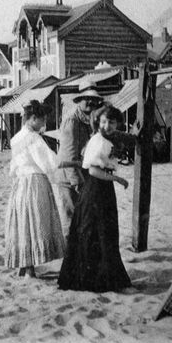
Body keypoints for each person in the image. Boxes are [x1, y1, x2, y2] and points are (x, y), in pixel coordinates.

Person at [58, 105, 133, 292]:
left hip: (102, 189)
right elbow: (93, 170)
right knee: (97, 232)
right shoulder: (99, 141)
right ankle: (95, 280)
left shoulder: (105, 139)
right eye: (104, 121)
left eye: (112, 122)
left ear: (117, 123)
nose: (107, 125)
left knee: (102, 233)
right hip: (96, 188)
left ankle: (101, 278)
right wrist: (117, 178)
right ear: (98, 122)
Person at [4, 101, 65, 278]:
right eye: (42, 119)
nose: (44, 123)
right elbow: (49, 162)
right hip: (35, 181)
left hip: (20, 183)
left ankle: (24, 265)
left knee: (23, 221)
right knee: (34, 221)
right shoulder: (34, 138)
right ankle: (29, 268)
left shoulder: (16, 138)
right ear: (32, 119)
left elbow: (13, 166)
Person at [54, 79, 105, 241]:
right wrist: (77, 183)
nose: (90, 102)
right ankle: (71, 259)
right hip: (69, 178)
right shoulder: (72, 121)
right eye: (86, 98)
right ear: (79, 100)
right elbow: (68, 156)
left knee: (85, 219)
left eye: (94, 99)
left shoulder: (91, 119)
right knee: (71, 219)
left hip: (84, 175)